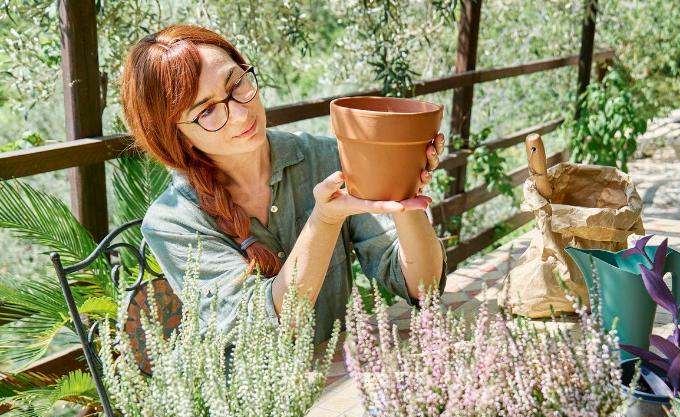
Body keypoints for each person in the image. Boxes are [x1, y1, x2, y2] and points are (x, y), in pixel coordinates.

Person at [120, 25, 446, 342]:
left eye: (236, 85)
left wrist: (404, 193)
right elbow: (264, 326)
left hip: (343, 378)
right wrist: (325, 220)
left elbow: (422, 287)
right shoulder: (172, 222)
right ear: (176, 137)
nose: (240, 114)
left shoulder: (327, 158)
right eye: (206, 111)